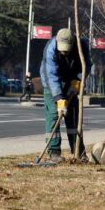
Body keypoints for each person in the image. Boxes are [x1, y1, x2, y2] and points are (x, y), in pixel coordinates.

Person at [40, 27, 92, 160]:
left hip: (71, 81)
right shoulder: (51, 49)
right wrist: (59, 98)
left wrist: (78, 81)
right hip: (51, 85)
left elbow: (86, 66)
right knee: (53, 117)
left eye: (67, 49)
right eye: (62, 49)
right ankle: (54, 152)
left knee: (73, 119)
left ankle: (78, 152)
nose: (64, 52)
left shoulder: (82, 46)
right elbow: (51, 75)